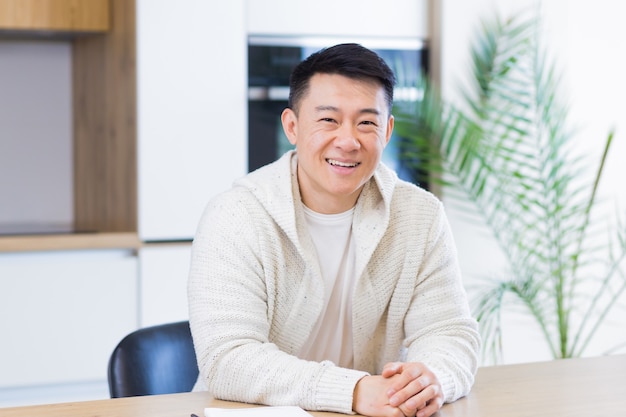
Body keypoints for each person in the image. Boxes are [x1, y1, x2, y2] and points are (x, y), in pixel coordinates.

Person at [188, 43, 480, 417]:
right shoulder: (236, 215)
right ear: (292, 126)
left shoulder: (419, 215)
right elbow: (228, 359)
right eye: (328, 120)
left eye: (366, 122)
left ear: (387, 131)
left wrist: (429, 379)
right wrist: (353, 390)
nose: (347, 141)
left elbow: (450, 331)